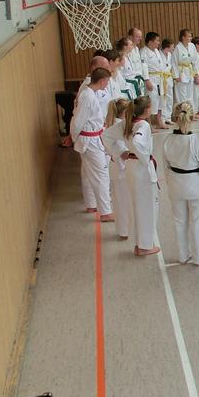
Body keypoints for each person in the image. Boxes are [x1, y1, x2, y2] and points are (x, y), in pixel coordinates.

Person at [163, 101, 199, 266]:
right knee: (198, 222)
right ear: (192, 117)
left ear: (175, 117)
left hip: (176, 185)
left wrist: (170, 185)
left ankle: (183, 255)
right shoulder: (198, 141)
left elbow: (166, 168)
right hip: (196, 186)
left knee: (180, 221)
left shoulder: (168, 140)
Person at [71, 67, 114, 221]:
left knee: (89, 173)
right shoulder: (87, 97)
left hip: (93, 137)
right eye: (107, 81)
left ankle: (91, 204)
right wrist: (73, 137)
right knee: (101, 175)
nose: (107, 84)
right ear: (101, 81)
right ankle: (106, 212)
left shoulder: (89, 94)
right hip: (90, 141)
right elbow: (77, 121)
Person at [122, 96, 160, 256]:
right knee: (147, 207)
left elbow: (107, 135)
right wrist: (145, 158)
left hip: (132, 166)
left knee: (137, 206)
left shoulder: (129, 122)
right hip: (141, 168)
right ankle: (145, 246)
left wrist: (120, 151)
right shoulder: (143, 125)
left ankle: (139, 244)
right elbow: (137, 143)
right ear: (146, 110)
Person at [101, 98, 133, 241]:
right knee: (124, 201)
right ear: (124, 112)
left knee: (119, 200)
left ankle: (123, 230)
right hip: (121, 169)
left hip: (116, 168)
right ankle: (124, 231)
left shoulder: (114, 124)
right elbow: (123, 152)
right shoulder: (118, 127)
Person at [141, 32, 168, 129]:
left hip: (159, 78)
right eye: (157, 40)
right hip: (151, 78)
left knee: (160, 100)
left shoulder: (156, 51)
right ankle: (149, 124)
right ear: (150, 42)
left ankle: (159, 121)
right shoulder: (144, 52)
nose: (158, 42)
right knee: (150, 101)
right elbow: (143, 66)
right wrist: (146, 80)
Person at [174, 29, 197, 106]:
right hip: (181, 73)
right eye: (189, 36)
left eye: (191, 36)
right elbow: (174, 63)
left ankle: (189, 112)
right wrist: (176, 76)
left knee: (190, 95)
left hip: (189, 72)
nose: (190, 38)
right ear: (183, 37)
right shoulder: (178, 48)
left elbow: (195, 61)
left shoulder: (192, 46)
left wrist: (196, 74)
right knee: (182, 96)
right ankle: (182, 112)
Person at [117, 36, 142, 100]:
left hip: (131, 84)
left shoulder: (128, 56)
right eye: (131, 45)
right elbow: (121, 74)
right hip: (126, 85)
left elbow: (131, 71)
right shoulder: (121, 59)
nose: (132, 46)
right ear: (125, 47)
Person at [159, 38, 176, 125]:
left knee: (170, 98)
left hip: (168, 78)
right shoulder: (158, 54)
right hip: (162, 78)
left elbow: (171, 66)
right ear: (167, 47)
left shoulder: (170, 54)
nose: (173, 48)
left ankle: (168, 118)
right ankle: (162, 118)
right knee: (163, 99)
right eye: (172, 46)